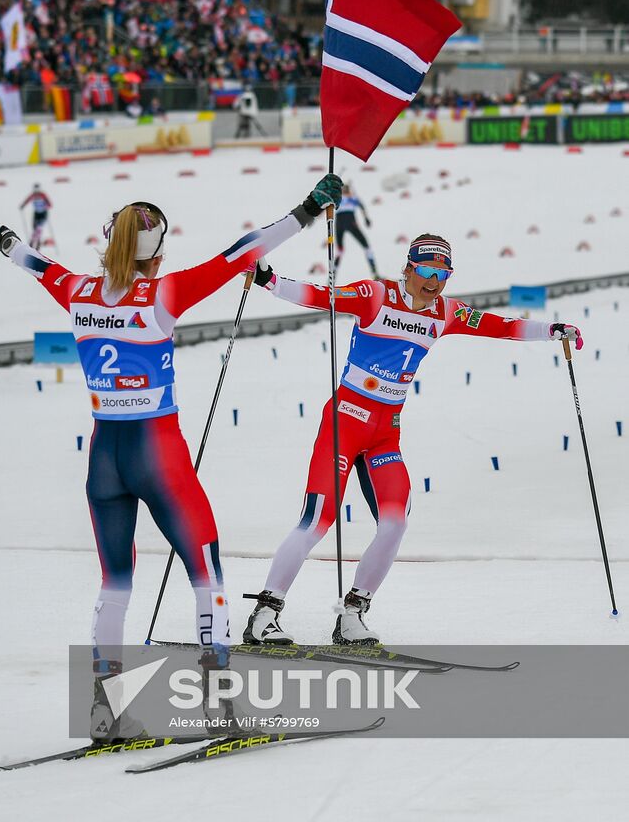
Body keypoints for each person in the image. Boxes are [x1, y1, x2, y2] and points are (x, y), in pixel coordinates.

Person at [0, 173, 342, 739]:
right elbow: (242, 252)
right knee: (206, 568)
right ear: (158, 253)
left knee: (115, 581)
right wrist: (309, 209)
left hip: (105, 458)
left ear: (109, 242)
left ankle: (104, 711)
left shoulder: (77, 290)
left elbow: (36, 263)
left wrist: (2, 239)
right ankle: (221, 705)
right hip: (158, 453)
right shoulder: (164, 293)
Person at [244, 234, 583, 646]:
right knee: (318, 520)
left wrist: (553, 330)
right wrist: (268, 279)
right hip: (345, 423)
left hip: (385, 433)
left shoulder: (447, 313)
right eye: (425, 271)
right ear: (408, 268)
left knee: (394, 522)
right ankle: (265, 613)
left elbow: (502, 326)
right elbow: (322, 295)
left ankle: (352, 614)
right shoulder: (375, 295)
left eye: (443, 274)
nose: (434, 281)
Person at [335, 182, 377, 279]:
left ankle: (332, 277)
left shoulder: (337, 199)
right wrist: (366, 219)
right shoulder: (352, 198)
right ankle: (374, 272)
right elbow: (362, 207)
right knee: (366, 246)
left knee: (340, 250)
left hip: (339, 224)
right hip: (350, 223)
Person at [19, 184, 52, 250]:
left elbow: (50, 204)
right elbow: (27, 200)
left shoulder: (43, 195)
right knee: (35, 229)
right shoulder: (33, 195)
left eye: (37, 190)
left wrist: (45, 206)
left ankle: (36, 245)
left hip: (43, 214)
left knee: (38, 229)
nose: (36, 192)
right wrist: (22, 206)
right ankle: (32, 243)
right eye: (35, 190)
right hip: (36, 215)